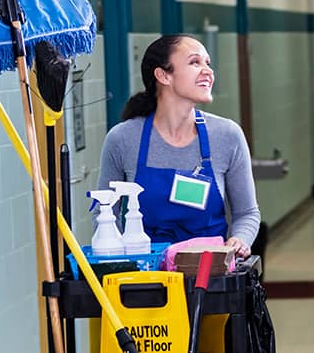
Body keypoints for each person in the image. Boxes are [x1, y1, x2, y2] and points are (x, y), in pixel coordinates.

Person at [98, 34, 261, 257]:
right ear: (163, 75)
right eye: (195, 62)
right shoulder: (123, 139)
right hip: (146, 277)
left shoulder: (227, 135)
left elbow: (247, 213)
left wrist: (239, 240)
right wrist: (121, 261)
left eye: (208, 63)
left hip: (209, 276)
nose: (208, 71)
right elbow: (105, 213)